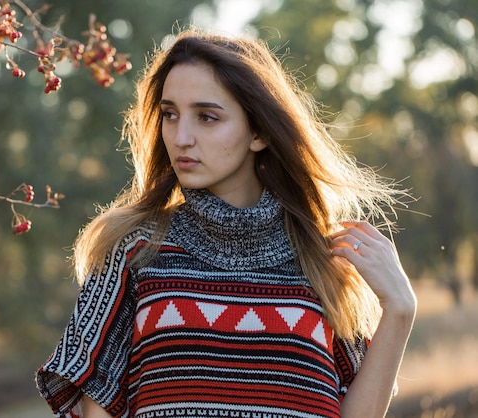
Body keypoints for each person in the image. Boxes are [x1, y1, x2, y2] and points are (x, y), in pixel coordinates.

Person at [35, 28, 417, 418]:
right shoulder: (133, 249)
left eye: (207, 117)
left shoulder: (323, 260)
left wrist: (400, 310)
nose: (181, 137)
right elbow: (95, 406)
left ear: (259, 131)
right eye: (170, 114)